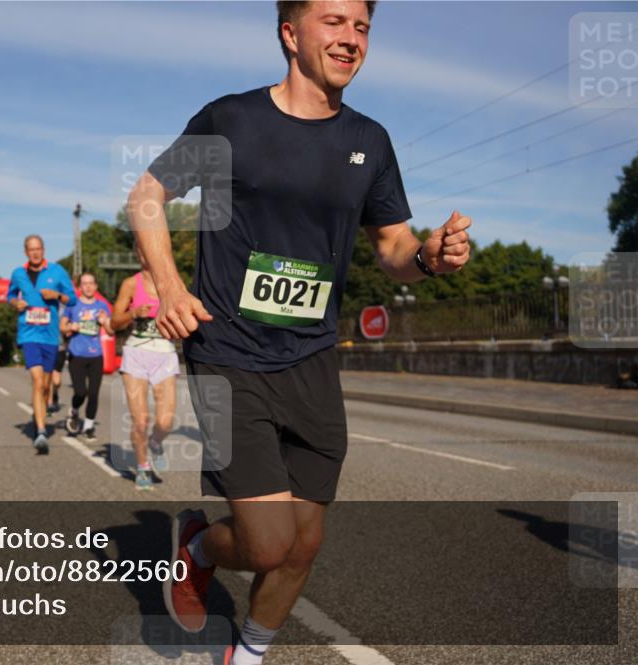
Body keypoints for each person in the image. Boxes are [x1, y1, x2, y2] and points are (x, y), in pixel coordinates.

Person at [128, 2, 473, 662]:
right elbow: (147, 197)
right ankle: (198, 546)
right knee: (267, 543)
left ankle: (248, 654)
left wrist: (428, 257)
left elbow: (392, 246)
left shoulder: (370, 140)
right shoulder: (230, 119)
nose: (351, 39)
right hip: (228, 350)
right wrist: (170, 287)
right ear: (290, 33)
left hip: (312, 355)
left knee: (304, 541)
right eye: (334, 22)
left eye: (362, 27)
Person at [111, 251, 177, 490]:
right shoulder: (131, 284)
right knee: (140, 420)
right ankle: (142, 466)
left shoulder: (173, 281)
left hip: (165, 353)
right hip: (136, 353)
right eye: (140, 249)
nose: (145, 254)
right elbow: (114, 322)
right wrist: (133, 313)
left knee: (166, 421)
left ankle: (156, 443)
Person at [7, 234, 77, 454]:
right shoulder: (18, 273)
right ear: (26, 252)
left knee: (46, 386)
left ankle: (39, 414)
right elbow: (10, 295)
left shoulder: (57, 271)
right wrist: (15, 303)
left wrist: (57, 295)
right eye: (31, 249)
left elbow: (73, 299)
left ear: (43, 250)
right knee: (37, 381)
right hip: (29, 334)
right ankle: (40, 431)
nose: (35, 253)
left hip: (50, 336)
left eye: (38, 248)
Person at [61, 272, 113, 440]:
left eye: (91, 283)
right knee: (80, 392)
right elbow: (62, 327)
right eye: (85, 283)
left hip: (96, 355)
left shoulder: (102, 306)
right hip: (77, 354)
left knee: (94, 393)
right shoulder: (73, 305)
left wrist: (105, 322)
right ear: (80, 287)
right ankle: (75, 411)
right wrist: (70, 326)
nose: (88, 286)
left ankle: (89, 426)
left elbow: (111, 331)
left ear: (96, 286)